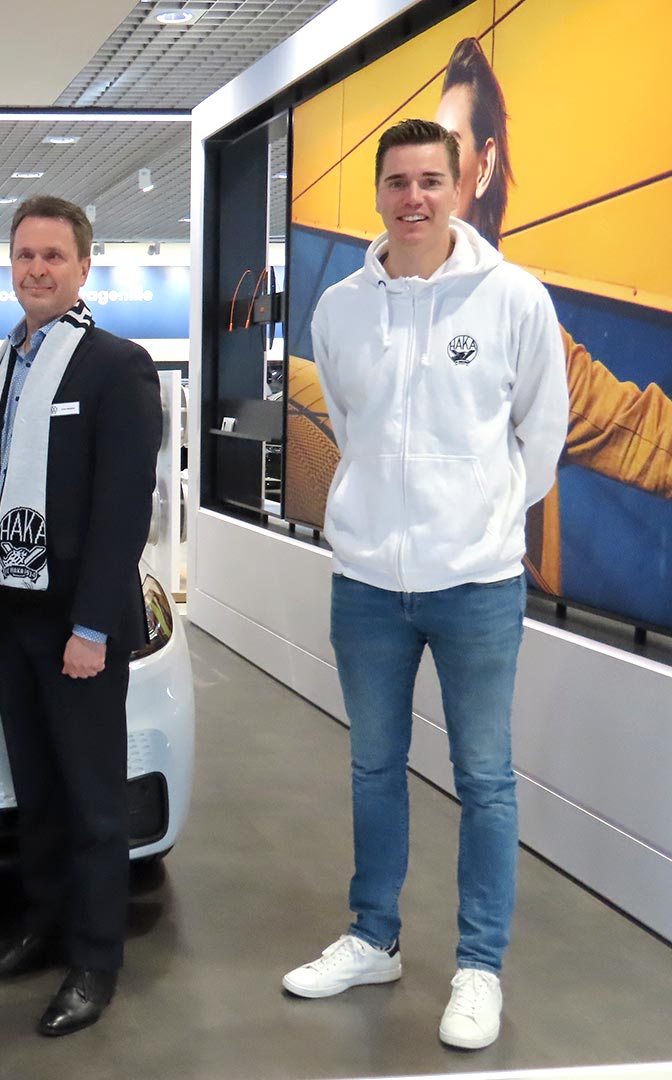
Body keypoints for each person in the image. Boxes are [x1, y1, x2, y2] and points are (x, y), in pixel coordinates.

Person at [281, 121, 567, 1050]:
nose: (413, 198)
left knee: (484, 777)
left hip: (477, 584)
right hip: (367, 582)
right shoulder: (341, 309)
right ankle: (375, 938)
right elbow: (352, 428)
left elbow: (543, 434)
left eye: (430, 181)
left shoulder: (514, 298)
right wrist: (370, 519)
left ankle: (479, 967)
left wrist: (487, 519)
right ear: (378, 193)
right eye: (397, 181)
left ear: (461, 187)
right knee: (374, 767)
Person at [0, 195, 161, 1036]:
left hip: (78, 627)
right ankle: (40, 930)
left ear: (83, 266)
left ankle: (95, 961)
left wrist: (94, 627)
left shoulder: (116, 366)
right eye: (25, 256)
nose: (36, 269)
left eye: (53, 256)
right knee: (36, 793)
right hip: (9, 616)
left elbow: (122, 510)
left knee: (93, 803)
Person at [433, 35, 672, 596]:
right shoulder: (390, 304)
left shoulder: (523, 332)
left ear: (483, 168)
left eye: (447, 146)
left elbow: (648, 437)